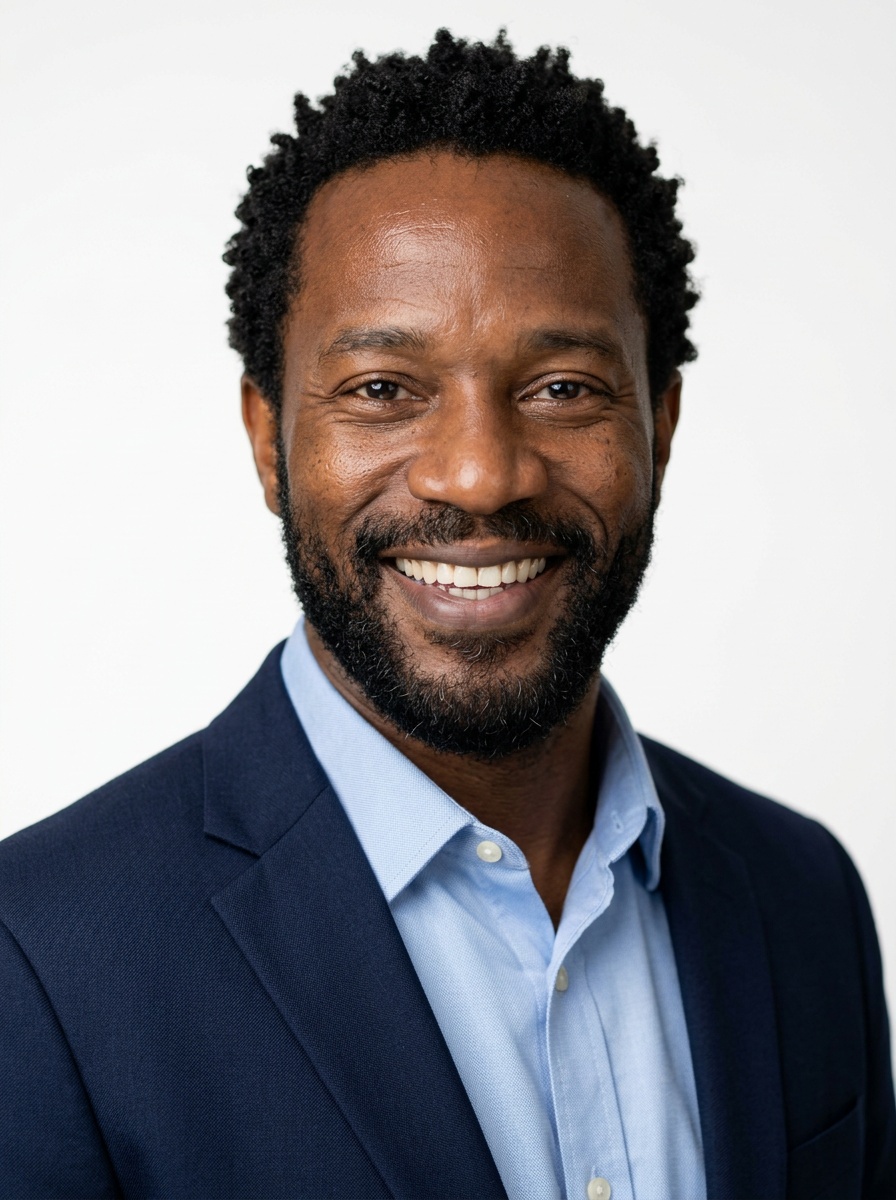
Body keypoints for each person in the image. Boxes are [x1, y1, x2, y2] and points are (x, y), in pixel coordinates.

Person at [0, 28, 892, 1200]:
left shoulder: (798, 893)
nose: (479, 475)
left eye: (561, 388)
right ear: (267, 437)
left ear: (658, 428)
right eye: (382, 390)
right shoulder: (40, 960)